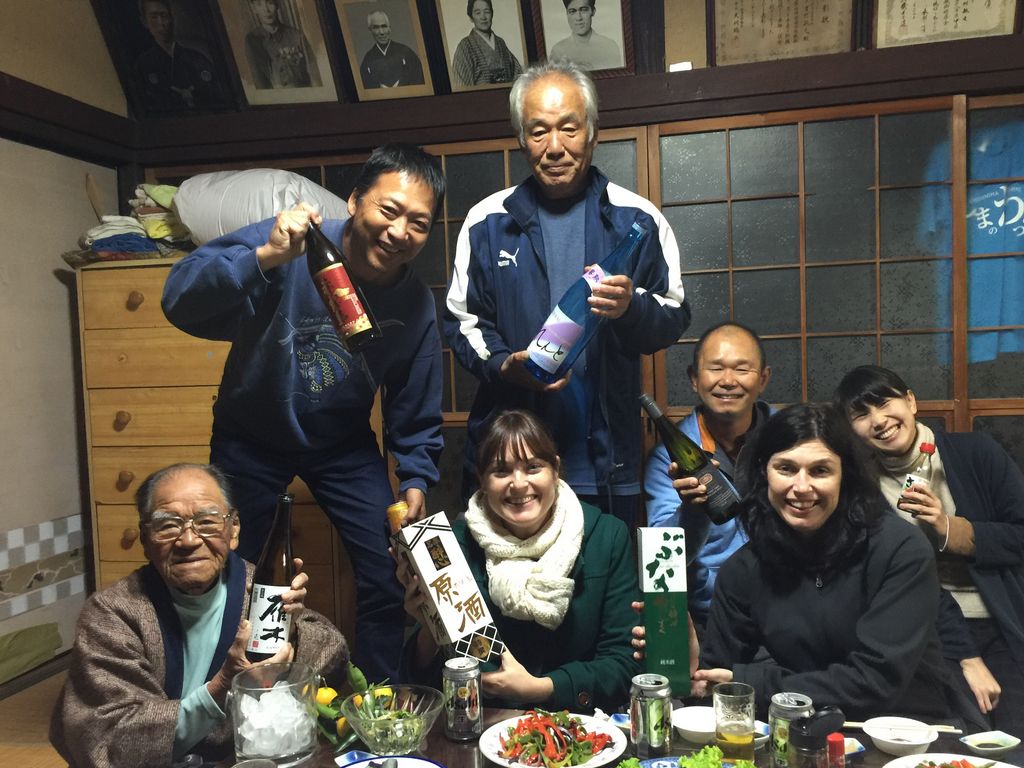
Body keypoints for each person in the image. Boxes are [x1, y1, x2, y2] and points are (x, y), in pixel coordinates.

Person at [161, 144, 446, 684]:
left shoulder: (414, 302)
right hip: (249, 434)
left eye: (418, 223)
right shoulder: (293, 241)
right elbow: (178, 297)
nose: (398, 232)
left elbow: (415, 400)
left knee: (389, 571)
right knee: (230, 569)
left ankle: (377, 696)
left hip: (342, 443)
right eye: (388, 210)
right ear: (355, 200)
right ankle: (227, 691)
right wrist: (265, 256)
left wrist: (415, 477)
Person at [445, 59, 689, 527]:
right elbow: (463, 322)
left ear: (593, 133)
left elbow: (673, 314)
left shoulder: (637, 219)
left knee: (603, 571)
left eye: (569, 128)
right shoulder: (487, 221)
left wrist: (630, 308)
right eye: (538, 131)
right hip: (511, 464)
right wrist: (506, 366)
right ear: (521, 138)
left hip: (606, 462)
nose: (554, 146)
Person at [49, 463, 346, 767]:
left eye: (206, 521)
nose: (188, 541)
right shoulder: (113, 612)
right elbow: (106, 736)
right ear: (145, 539)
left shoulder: (260, 594)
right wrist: (224, 684)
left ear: (234, 530)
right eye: (168, 525)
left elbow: (332, 657)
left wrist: (291, 631)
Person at [669, 403, 951, 720]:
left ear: (845, 476)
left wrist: (756, 684)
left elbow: (875, 683)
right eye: (786, 469)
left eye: (820, 471)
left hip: (911, 729)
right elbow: (717, 685)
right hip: (805, 727)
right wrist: (690, 667)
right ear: (763, 472)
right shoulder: (745, 568)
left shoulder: (899, 548)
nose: (801, 487)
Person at [398, 409, 641, 712]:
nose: (518, 483)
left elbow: (622, 663)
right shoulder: (454, 547)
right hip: (484, 723)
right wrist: (430, 627)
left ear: (555, 469)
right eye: (501, 471)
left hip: (583, 724)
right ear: (482, 481)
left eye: (533, 467)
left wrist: (542, 688)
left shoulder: (606, 538)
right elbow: (422, 681)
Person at [835, 365, 1024, 739]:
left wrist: (947, 528)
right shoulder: (862, 489)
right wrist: (967, 656)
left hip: (1002, 619)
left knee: (1013, 737)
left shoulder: (975, 453)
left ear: (910, 401)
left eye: (884, 403)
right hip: (927, 633)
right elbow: (892, 581)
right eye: (861, 414)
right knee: (959, 737)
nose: (879, 420)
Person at [644, 321, 772, 637]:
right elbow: (663, 558)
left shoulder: (790, 439)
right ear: (694, 379)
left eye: (741, 369)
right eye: (715, 368)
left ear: (763, 379)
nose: (727, 381)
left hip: (787, 608)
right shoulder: (669, 458)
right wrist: (692, 512)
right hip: (711, 617)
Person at [133, 0, 227, 113]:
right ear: (144, 22)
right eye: (154, 17)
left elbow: (219, 99)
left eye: (164, 15)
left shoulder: (198, 60)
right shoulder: (143, 65)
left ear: (172, 18)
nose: (161, 23)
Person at [244, 0, 321, 89]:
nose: (266, 10)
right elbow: (260, 84)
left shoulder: (297, 36)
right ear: (254, 9)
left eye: (270, 3)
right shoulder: (252, 41)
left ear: (277, 4)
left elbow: (315, 77)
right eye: (259, 4)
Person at [451, 0, 523, 88]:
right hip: (479, 96)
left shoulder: (500, 43)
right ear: (471, 17)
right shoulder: (465, 46)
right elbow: (461, 86)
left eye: (487, 12)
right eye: (478, 13)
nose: (483, 17)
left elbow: (518, 74)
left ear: (492, 14)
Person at [548, 0, 622, 71]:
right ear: (567, 14)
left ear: (593, 11)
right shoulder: (558, 51)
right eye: (572, 11)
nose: (578, 18)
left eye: (583, 10)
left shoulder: (609, 47)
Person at [360, 10, 425, 89]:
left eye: (384, 26)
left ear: (389, 28)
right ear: (370, 30)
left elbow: (419, 80)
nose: (381, 32)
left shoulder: (406, 52)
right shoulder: (367, 60)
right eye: (376, 27)